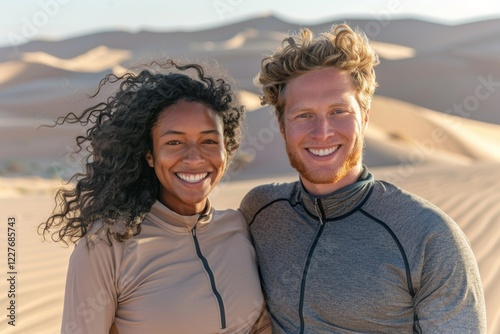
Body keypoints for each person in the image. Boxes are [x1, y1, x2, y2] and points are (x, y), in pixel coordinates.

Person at [239, 24, 486, 333]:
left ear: (366, 115)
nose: (322, 132)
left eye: (339, 111)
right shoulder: (259, 212)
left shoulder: (428, 236)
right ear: (280, 124)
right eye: (303, 115)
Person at [40, 59, 270, 334]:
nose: (194, 158)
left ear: (226, 150)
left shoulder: (240, 229)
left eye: (209, 141)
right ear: (150, 154)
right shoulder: (108, 246)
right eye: (174, 142)